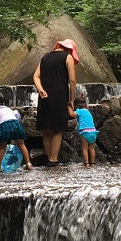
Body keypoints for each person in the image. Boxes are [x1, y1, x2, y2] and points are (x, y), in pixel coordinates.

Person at [33, 39, 78, 167]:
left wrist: (41, 90)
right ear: (70, 49)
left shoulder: (45, 57)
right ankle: (54, 159)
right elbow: (72, 80)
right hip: (59, 95)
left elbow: (36, 76)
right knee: (58, 129)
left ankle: (49, 158)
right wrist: (72, 98)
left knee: (46, 129)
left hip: (44, 96)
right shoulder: (67, 57)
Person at [0, 93, 34, 173]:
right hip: (16, 124)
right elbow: (17, 116)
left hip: (5, 125)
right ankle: (28, 163)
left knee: (2, 147)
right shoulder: (8, 109)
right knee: (21, 144)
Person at [74, 93, 98, 167]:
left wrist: (68, 107)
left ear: (76, 106)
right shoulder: (87, 111)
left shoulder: (79, 111)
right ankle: (93, 162)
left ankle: (86, 163)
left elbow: (71, 114)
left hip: (85, 132)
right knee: (92, 148)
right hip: (93, 131)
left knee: (84, 148)